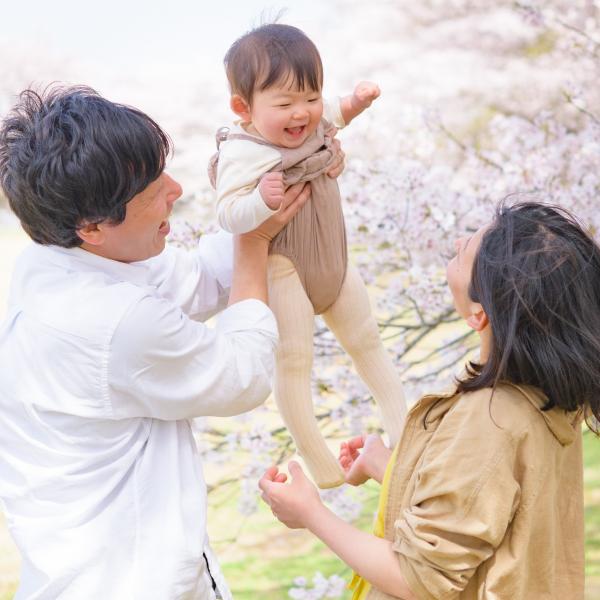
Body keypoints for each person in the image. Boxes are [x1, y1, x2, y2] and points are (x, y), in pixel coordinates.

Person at [0, 85, 344, 599]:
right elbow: (242, 374)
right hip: (126, 582)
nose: (176, 189)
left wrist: (291, 176)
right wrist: (253, 237)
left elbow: (201, 276)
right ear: (93, 226)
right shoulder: (108, 321)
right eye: (151, 188)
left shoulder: (60, 260)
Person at [259, 202, 599, 599]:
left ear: (479, 315)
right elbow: (490, 508)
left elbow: (419, 578)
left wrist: (310, 513)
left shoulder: (489, 418)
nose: (457, 241)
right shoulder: (550, 398)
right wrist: (393, 468)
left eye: (464, 254)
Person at [208, 23, 407, 489]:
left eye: (310, 96)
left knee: (368, 341)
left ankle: (404, 433)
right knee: (294, 362)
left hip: (334, 261)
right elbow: (228, 216)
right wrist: (261, 199)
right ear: (244, 108)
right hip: (286, 267)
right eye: (284, 104)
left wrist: (355, 103)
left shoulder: (315, 123)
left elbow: (333, 113)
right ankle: (320, 464)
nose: (302, 114)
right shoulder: (243, 153)